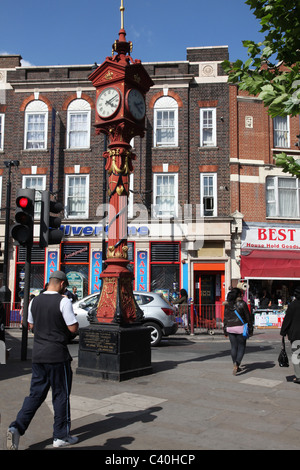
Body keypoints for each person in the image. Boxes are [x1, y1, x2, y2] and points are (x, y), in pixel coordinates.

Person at [7, 271, 79, 450]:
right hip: (57, 356)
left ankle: (16, 426)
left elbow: (31, 325)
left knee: (35, 395)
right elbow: (72, 328)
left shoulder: (34, 301)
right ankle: (61, 435)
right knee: (61, 395)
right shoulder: (64, 301)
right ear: (62, 284)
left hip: (38, 356)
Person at [223, 287, 253, 375]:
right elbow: (248, 317)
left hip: (230, 328)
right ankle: (237, 364)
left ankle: (234, 364)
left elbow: (225, 318)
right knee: (242, 346)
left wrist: (225, 330)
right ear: (239, 295)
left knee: (233, 347)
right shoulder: (242, 304)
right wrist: (250, 329)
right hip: (240, 328)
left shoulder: (227, 305)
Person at [280, 286, 300, 384]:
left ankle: (298, 376)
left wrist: (283, 331)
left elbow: (287, 320)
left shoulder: (293, 305)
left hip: (296, 334)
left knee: (296, 354)